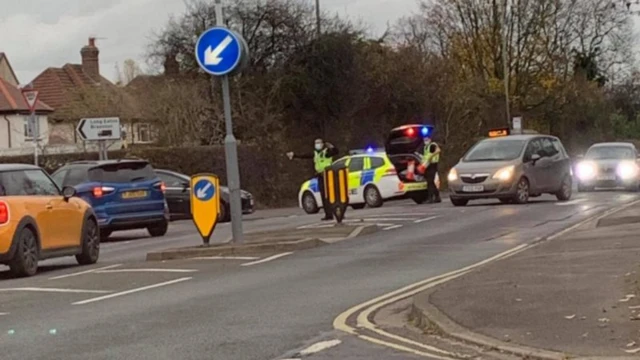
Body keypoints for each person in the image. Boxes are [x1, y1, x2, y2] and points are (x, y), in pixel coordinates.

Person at [287, 138, 339, 220]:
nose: (317, 144)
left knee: (331, 195)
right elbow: (305, 156)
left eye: (319, 143)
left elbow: (336, 152)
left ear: (322, 144)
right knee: (324, 196)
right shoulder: (315, 153)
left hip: (328, 174)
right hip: (320, 175)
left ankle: (337, 212)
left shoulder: (326, 152)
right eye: (316, 143)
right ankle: (328, 215)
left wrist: (332, 147)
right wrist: (294, 155)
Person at [418, 134, 441, 203]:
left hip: (433, 165)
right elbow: (426, 157)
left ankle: (431, 198)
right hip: (427, 166)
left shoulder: (433, 145)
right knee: (430, 182)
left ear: (430, 139)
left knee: (430, 182)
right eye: (424, 139)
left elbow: (438, 150)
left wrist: (431, 156)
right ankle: (437, 197)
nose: (426, 141)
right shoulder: (426, 147)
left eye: (427, 139)